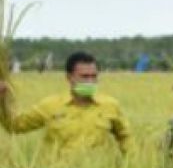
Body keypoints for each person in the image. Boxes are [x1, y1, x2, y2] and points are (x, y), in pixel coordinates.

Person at [0, 51, 130, 154]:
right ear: (69, 77)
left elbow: (125, 137)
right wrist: (2, 100)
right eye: (84, 76)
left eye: (94, 76)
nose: (90, 81)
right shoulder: (50, 106)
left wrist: (131, 166)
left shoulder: (110, 106)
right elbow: (15, 126)